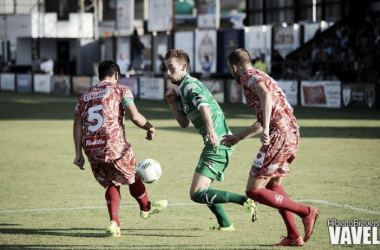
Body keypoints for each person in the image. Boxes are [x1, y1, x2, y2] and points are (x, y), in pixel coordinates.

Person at [222, 49, 318, 246]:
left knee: (253, 191)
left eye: (231, 68)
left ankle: (307, 212)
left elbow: (265, 97)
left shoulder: (247, 76)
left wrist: (266, 128)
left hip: (279, 135)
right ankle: (294, 236)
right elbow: (264, 115)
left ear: (234, 67)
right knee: (274, 185)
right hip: (290, 133)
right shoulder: (262, 75)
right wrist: (239, 137)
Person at [164, 49, 257, 232]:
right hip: (216, 141)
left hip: (218, 142)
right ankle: (225, 224)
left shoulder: (190, 85)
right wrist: (172, 103)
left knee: (197, 193)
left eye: (171, 68)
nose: (168, 73)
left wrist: (211, 130)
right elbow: (184, 123)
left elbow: (204, 105)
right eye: (166, 68)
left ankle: (245, 201)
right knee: (204, 189)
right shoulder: (183, 88)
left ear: (184, 66)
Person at [73, 60, 167, 237]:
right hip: (114, 146)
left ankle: (114, 223)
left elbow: (77, 124)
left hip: (92, 148)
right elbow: (134, 116)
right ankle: (146, 207)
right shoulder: (121, 89)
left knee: (111, 182)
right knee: (132, 175)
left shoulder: (84, 96)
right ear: (117, 75)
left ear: (99, 76)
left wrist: (78, 153)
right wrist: (150, 127)